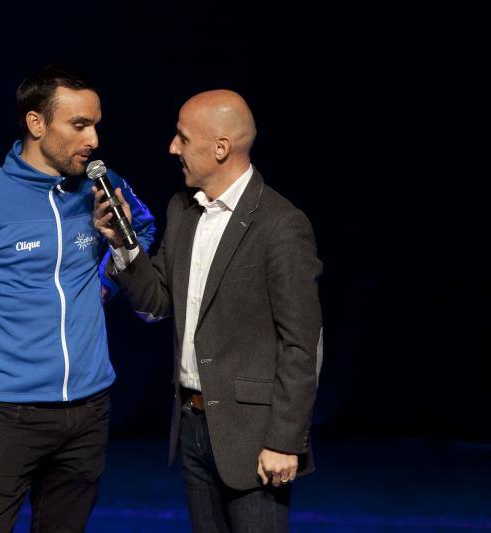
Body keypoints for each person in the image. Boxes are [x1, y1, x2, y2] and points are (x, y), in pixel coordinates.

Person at [0, 64, 155, 532]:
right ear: (36, 123)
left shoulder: (102, 186)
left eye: (96, 125)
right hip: (8, 415)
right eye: (79, 125)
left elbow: (142, 228)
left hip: (89, 414)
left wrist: (104, 282)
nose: (93, 139)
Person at [94, 90, 322, 532]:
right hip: (194, 427)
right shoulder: (183, 211)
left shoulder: (280, 224)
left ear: (221, 148)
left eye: (182, 138)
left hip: (254, 438)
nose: (172, 148)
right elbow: (158, 301)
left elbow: (301, 344)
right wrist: (123, 243)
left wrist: (284, 441)